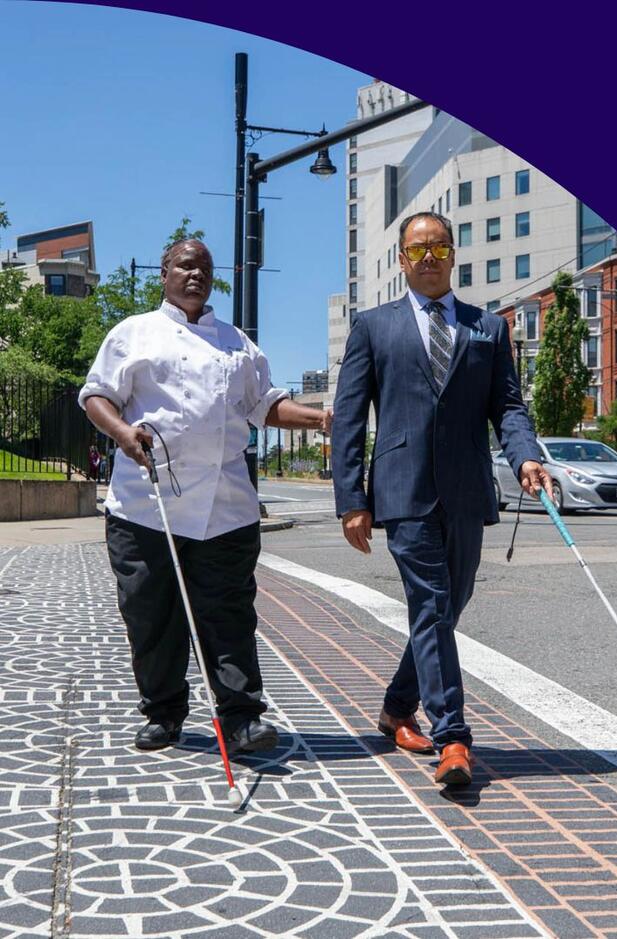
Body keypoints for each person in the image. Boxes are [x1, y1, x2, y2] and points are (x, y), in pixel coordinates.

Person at [81, 238, 331, 752]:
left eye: (205, 269)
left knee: (229, 615)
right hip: (146, 510)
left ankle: (241, 718)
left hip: (226, 508)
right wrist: (123, 434)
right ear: (165, 273)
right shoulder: (134, 334)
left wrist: (321, 418)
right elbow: (97, 396)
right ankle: (164, 712)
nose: (196, 276)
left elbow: (264, 405)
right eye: (185, 267)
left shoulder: (236, 343)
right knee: (152, 615)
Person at [331, 212, 552, 788]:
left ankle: (397, 708)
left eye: (439, 248)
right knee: (430, 606)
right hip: (402, 492)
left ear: (454, 255)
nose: (428, 258)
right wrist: (351, 498)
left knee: (446, 609)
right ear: (402, 260)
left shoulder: (488, 328)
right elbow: (351, 418)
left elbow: (507, 406)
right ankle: (453, 737)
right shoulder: (373, 327)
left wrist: (526, 455)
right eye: (417, 250)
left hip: (466, 490)